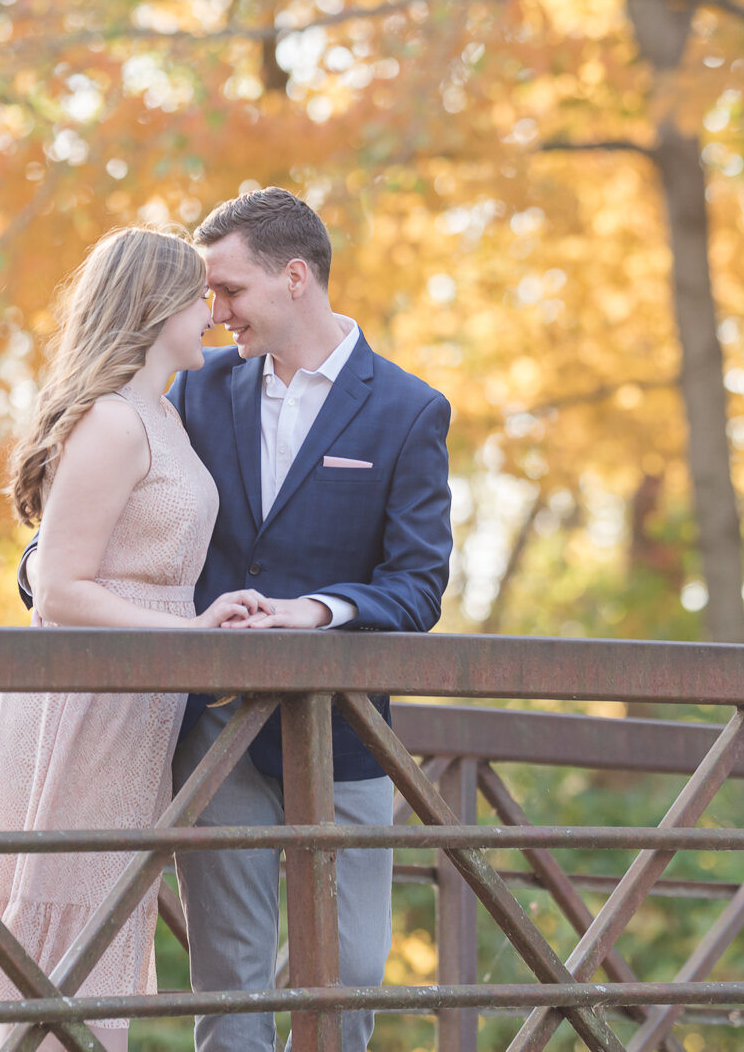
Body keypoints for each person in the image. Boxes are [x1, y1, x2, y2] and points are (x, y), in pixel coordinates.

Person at [0, 227, 265, 1052]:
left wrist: (210, 614)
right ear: (150, 306)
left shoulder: (161, 414)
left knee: (107, 918)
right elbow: (60, 588)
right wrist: (190, 630)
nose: (210, 313)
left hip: (140, 696)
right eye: (195, 296)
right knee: (67, 916)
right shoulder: (108, 420)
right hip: (88, 698)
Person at [169, 187, 453, 1052]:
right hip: (215, 732)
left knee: (348, 985)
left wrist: (316, 611)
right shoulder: (194, 389)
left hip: (347, 736)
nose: (213, 314)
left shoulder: (409, 410)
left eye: (228, 291)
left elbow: (418, 586)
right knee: (231, 993)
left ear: (296, 277)